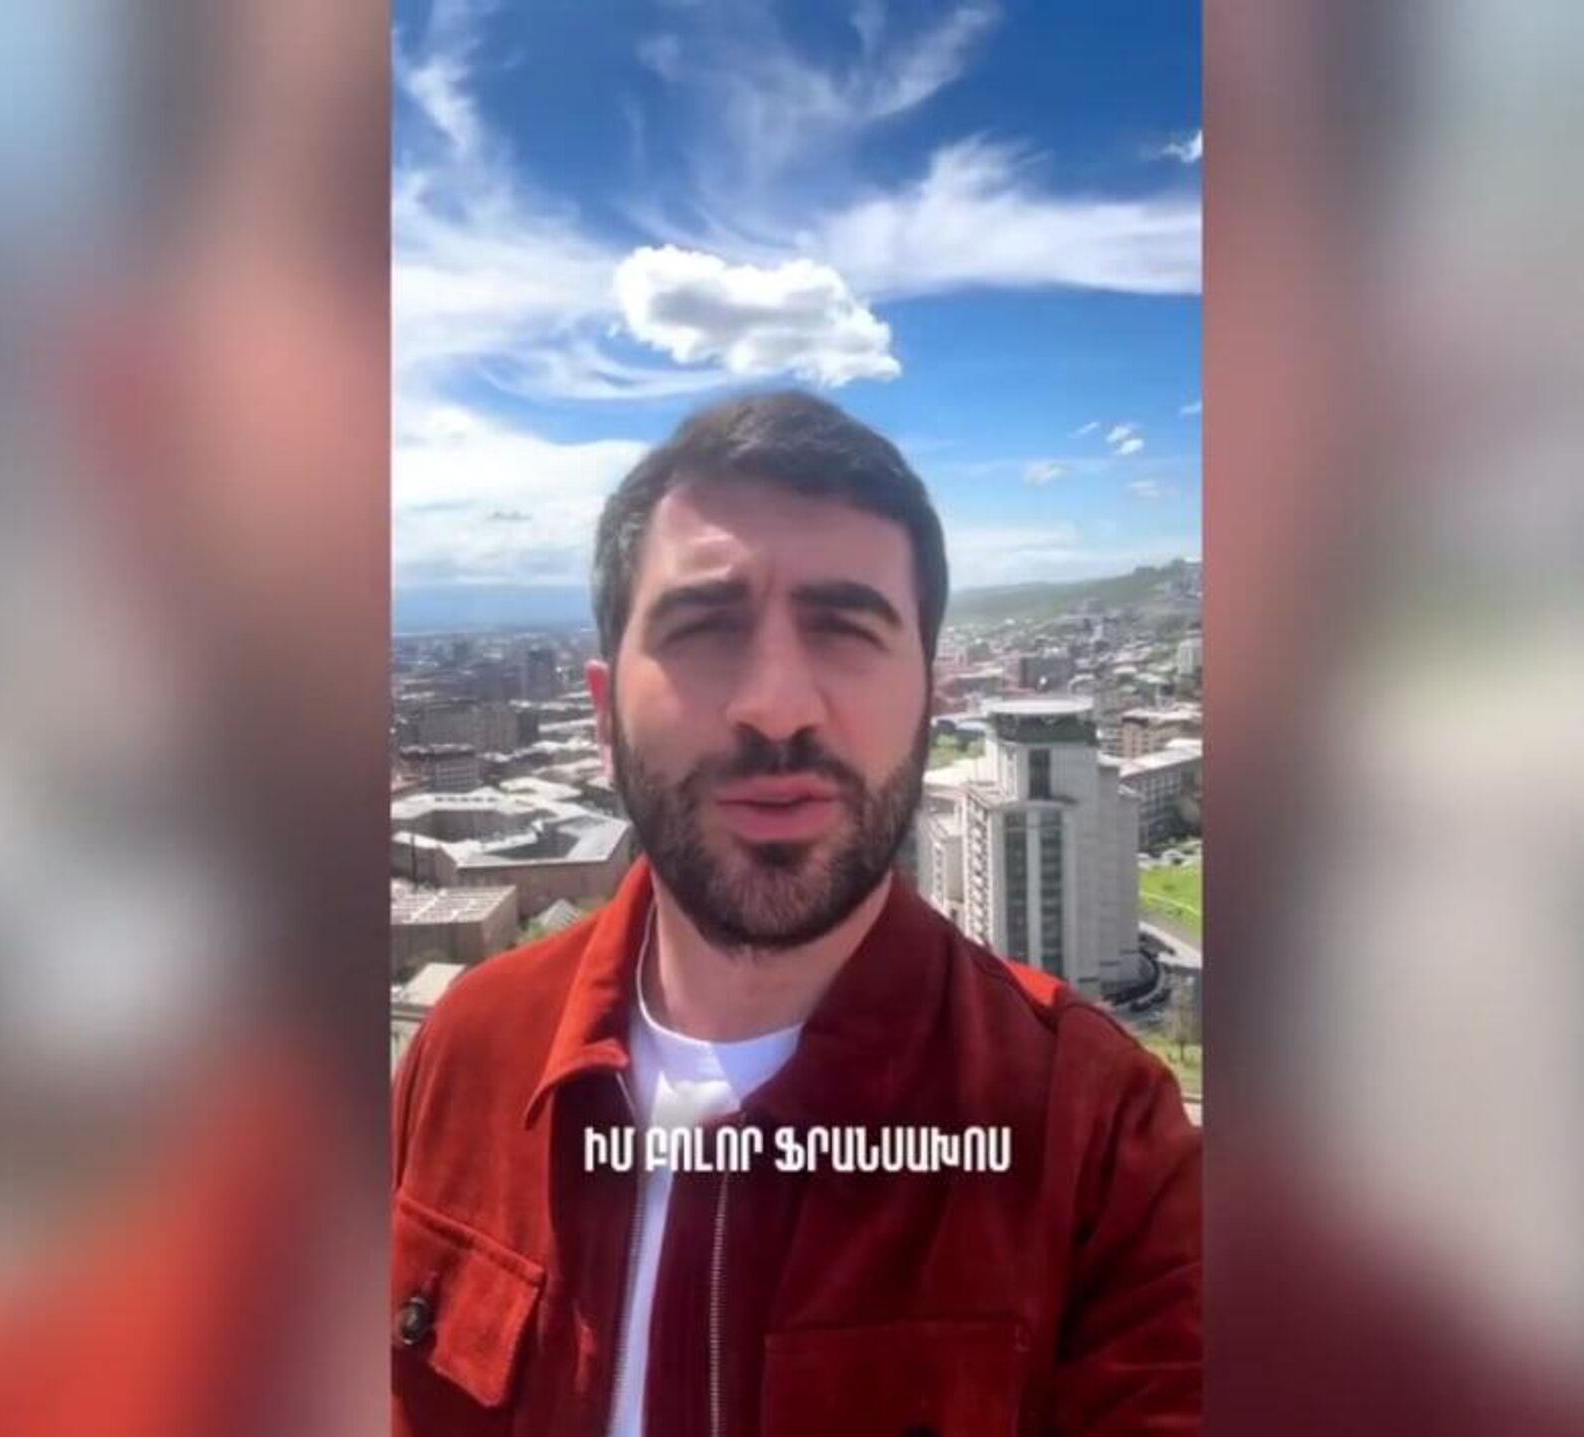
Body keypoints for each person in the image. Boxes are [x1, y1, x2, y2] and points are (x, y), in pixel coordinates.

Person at [392, 391, 1202, 1436]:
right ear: (601, 713)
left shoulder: (1099, 1140)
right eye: (703, 627)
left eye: (845, 628)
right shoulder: (465, 1052)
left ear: (931, 699)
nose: (776, 704)